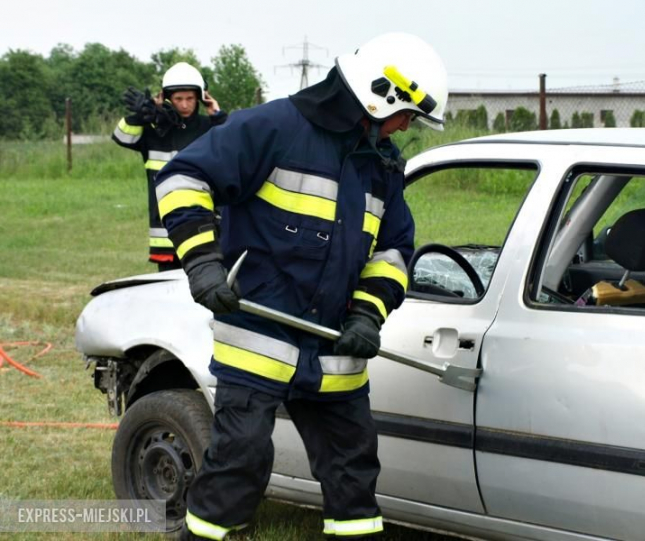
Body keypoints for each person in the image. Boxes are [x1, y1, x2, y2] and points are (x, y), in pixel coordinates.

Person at [154, 33, 448, 540]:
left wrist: (366, 315)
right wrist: (203, 262)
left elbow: (394, 249)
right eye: (407, 115)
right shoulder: (272, 127)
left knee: (353, 475)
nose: (406, 128)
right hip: (258, 340)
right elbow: (183, 178)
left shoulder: (382, 165)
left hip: (334, 349)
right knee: (238, 465)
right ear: (380, 97)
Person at [112, 62, 227, 271]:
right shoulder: (153, 130)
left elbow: (232, 146)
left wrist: (218, 116)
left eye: (190, 98)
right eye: (178, 99)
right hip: (165, 235)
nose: (184, 105)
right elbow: (121, 136)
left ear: (201, 97)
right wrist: (140, 117)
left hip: (204, 227)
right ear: (167, 98)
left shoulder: (209, 128)